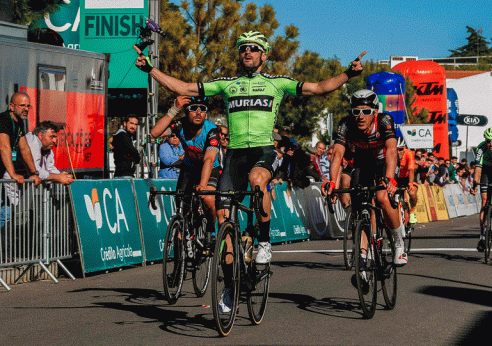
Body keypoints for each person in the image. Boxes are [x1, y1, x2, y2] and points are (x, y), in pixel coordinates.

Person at [137, 31, 364, 313]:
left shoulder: (277, 84)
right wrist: (150, 69)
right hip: (234, 155)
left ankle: (265, 243)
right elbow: (183, 86)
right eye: (243, 48)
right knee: (223, 221)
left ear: (264, 55)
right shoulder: (228, 84)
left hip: (262, 150)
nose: (248, 52)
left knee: (258, 181)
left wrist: (347, 74)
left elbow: (318, 87)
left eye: (254, 49)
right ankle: (232, 287)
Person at [323, 89, 408, 269]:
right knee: (360, 202)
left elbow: (392, 150)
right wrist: (332, 182)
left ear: (375, 112)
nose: (361, 116)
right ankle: (367, 244)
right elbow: (337, 153)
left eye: (366, 111)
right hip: (364, 162)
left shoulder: (385, 120)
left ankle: (399, 242)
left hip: (384, 161)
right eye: (356, 111)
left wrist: (390, 178)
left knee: (383, 198)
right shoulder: (346, 124)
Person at [150, 95, 221, 249]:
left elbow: (208, 160)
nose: (198, 112)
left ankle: (211, 228)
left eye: (202, 109)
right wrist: (174, 109)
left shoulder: (212, 131)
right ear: (186, 112)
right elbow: (155, 133)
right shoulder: (180, 125)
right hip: (189, 168)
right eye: (193, 108)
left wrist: (202, 185)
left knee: (208, 199)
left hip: (209, 167)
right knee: (182, 207)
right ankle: (184, 239)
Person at [0, 92, 37, 186]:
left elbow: (25, 149)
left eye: (28, 106)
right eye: (22, 105)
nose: (26, 109)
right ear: (12, 107)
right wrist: (13, 174)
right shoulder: (4, 119)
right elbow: (4, 147)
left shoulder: (20, 122)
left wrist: (34, 173)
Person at [396, 136, 419, 224]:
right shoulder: (392, 154)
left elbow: (411, 169)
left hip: (408, 177)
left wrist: (410, 183)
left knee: (412, 193)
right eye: (396, 149)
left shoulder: (409, 153)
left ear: (405, 148)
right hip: (397, 177)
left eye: (401, 149)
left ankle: (412, 212)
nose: (399, 152)